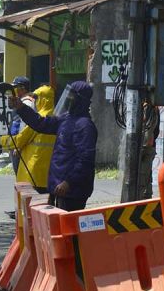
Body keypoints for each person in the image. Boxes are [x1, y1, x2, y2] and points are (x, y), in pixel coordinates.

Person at [8, 81, 97, 211]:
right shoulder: (66, 119)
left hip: (72, 191)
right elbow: (41, 124)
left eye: (71, 96)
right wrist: (21, 107)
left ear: (79, 99)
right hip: (58, 186)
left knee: (68, 228)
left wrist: (69, 182)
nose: (68, 99)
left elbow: (85, 160)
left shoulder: (84, 126)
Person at [0, 85, 55, 194]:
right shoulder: (56, 116)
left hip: (34, 172)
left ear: (43, 100)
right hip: (50, 174)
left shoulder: (41, 118)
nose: (34, 101)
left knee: (32, 207)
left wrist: (1, 141)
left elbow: (20, 139)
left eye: (37, 98)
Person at [7, 76, 35, 170]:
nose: (13, 91)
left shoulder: (26, 103)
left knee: (21, 176)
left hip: (20, 145)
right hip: (16, 143)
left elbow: (25, 125)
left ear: (22, 89)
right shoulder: (21, 102)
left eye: (15, 88)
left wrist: (18, 146)